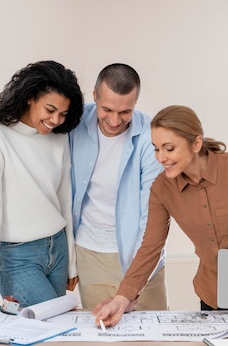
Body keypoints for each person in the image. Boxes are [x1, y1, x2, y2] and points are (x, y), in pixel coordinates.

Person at [94, 105, 228, 326]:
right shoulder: (161, 189)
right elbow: (150, 248)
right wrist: (122, 298)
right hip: (212, 294)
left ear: (196, 143)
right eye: (156, 148)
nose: (161, 158)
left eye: (169, 148)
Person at [0, 60, 84, 318]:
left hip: (57, 249)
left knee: (50, 332)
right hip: (17, 257)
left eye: (62, 114)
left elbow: (64, 201)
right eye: (50, 110)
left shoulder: (59, 139)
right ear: (30, 98)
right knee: (55, 331)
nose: (55, 120)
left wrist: (71, 262)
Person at [69, 63, 168, 311]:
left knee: (151, 335)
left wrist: (136, 276)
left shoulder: (150, 134)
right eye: (107, 109)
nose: (115, 120)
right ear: (94, 96)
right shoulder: (75, 124)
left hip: (139, 255)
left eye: (125, 112)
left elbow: (151, 211)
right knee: (101, 332)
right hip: (89, 251)